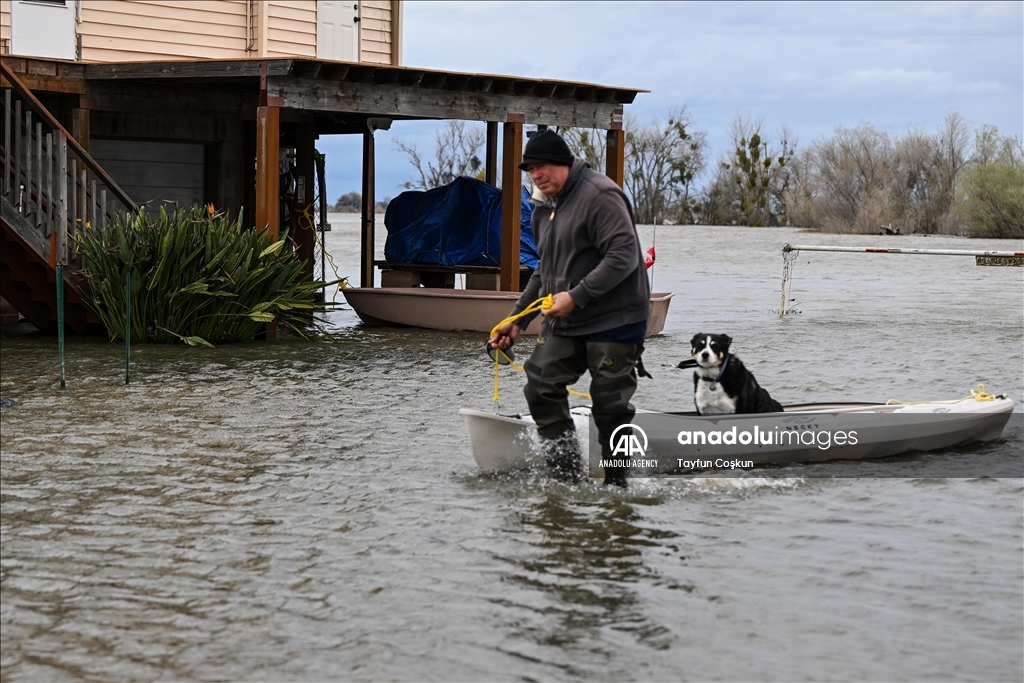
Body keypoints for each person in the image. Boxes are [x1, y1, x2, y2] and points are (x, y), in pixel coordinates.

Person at [488, 129, 651, 487]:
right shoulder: (542, 209)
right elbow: (543, 272)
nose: (536, 175)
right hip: (565, 319)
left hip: (616, 319)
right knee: (541, 387)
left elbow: (624, 256)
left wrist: (576, 296)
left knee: (609, 405)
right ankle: (567, 479)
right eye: (530, 170)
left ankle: (616, 486)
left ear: (564, 163)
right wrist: (517, 319)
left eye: (542, 167)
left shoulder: (600, 195)